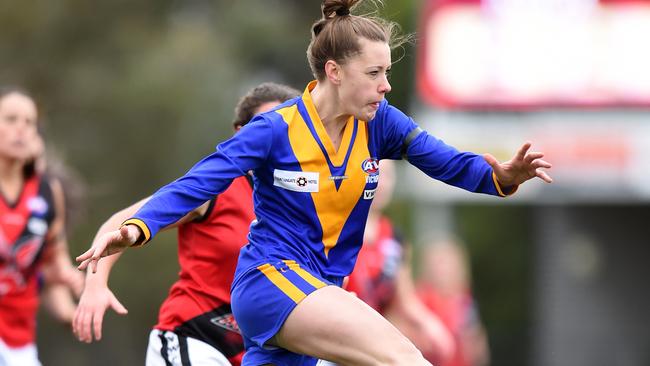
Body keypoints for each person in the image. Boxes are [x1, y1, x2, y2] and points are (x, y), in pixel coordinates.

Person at [76, 0, 553, 364]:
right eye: (375, 73)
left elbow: (444, 160)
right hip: (270, 283)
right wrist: (138, 228)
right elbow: (198, 182)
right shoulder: (276, 128)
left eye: (387, 72)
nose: (386, 85)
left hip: (317, 292)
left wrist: (501, 177)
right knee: (405, 360)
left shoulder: (380, 122)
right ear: (334, 72)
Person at [73, 82, 301, 366]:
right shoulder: (216, 189)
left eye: (289, 129)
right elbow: (120, 223)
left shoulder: (307, 205)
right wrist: (95, 285)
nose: (277, 138)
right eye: (266, 125)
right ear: (241, 134)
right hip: (194, 337)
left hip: (256, 353)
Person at [0, 87, 82, 366]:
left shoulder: (48, 192)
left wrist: (69, 278)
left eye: (29, 122)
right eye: (10, 119)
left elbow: (52, 261)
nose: (21, 129)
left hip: (20, 338)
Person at [345, 159, 455, 364]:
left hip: (373, 337)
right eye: (375, 174)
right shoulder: (337, 229)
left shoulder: (395, 239)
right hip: (338, 332)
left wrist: (432, 326)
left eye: (388, 176)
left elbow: (405, 301)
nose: (381, 183)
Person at [416, 237, 491, 366]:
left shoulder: (465, 301)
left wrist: (475, 344)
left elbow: (479, 352)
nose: (442, 270)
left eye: (446, 262)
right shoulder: (418, 300)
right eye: (438, 263)